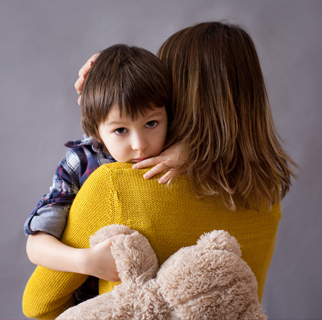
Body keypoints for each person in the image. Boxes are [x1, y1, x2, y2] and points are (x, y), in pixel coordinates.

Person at [23, 21, 297, 319]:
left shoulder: (115, 184)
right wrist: (111, 74)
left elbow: (39, 306)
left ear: (174, 95)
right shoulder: (266, 190)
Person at [23, 44, 172, 300]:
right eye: (120, 130)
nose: (140, 144)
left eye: (151, 123)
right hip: (93, 303)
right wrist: (87, 261)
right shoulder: (82, 163)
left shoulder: (173, 149)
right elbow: (36, 244)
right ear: (96, 130)